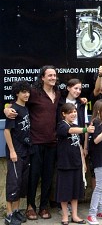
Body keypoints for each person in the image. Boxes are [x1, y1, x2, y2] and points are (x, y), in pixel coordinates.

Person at [4, 65, 62, 220]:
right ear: (42, 77)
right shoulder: (34, 93)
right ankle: (30, 207)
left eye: (54, 75)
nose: (52, 78)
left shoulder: (57, 93)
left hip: (51, 142)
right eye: (49, 75)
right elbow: (17, 103)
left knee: (48, 176)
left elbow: (61, 112)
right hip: (35, 142)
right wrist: (6, 109)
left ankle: (44, 207)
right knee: (33, 177)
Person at [56, 103, 95, 225]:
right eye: (70, 112)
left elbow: (78, 146)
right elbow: (70, 131)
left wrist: (83, 162)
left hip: (76, 163)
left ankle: (74, 215)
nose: (73, 114)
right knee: (64, 191)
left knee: (75, 191)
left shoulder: (76, 125)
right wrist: (85, 129)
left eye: (74, 112)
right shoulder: (61, 125)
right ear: (64, 114)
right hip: (65, 164)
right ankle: (65, 216)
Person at [4, 81, 31, 225]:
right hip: (16, 152)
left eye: (28, 91)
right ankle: (8, 214)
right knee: (13, 183)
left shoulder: (25, 108)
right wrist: (12, 151)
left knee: (21, 183)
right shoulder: (13, 109)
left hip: (26, 151)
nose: (26, 94)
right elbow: (7, 131)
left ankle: (16, 211)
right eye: (23, 92)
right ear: (17, 93)